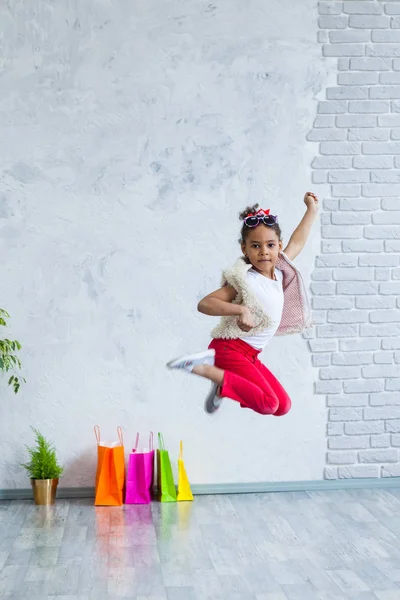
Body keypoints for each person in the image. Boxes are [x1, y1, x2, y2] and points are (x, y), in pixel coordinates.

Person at [167, 193, 319, 415]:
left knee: (282, 406)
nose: (264, 251)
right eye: (255, 246)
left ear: (279, 247)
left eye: (270, 245)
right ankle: (205, 369)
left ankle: (222, 385)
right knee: (268, 403)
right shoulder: (247, 280)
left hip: (251, 354)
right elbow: (205, 303)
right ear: (244, 250)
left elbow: (298, 241)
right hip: (230, 349)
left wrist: (311, 210)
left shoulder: (278, 271)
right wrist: (240, 309)